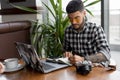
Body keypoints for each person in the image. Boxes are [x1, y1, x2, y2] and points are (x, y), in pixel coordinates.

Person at [63, 0, 111, 66]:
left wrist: (83, 59)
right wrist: (67, 54)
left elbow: (106, 54)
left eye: (77, 18)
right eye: (70, 18)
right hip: (76, 69)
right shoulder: (68, 31)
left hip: (96, 69)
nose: (73, 22)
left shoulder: (96, 29)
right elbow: (65, 50)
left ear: (84, 13)